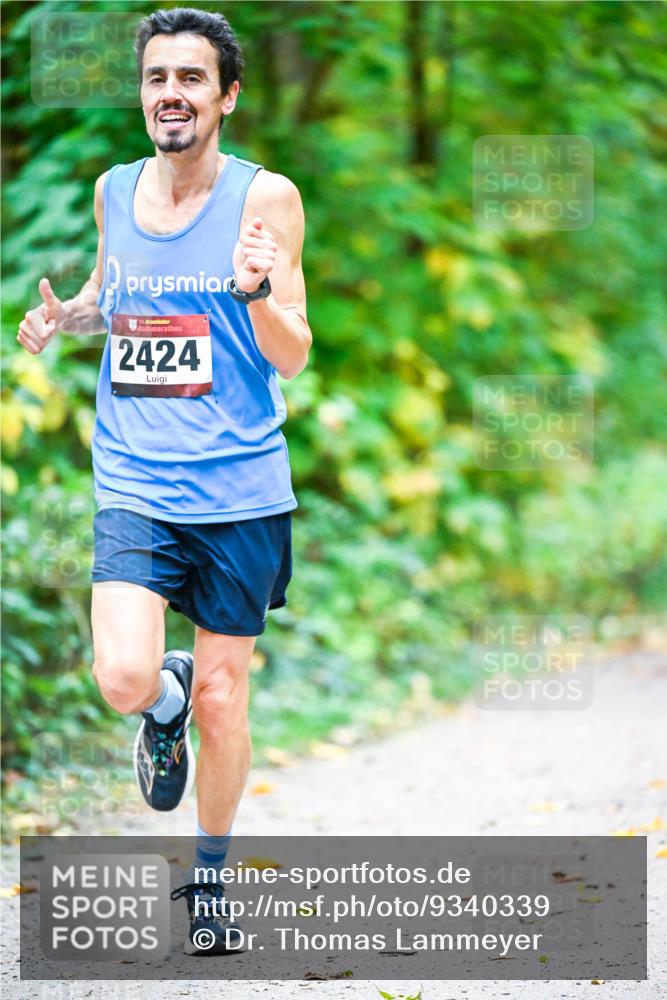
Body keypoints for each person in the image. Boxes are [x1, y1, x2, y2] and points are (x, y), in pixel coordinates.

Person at [17, 6, 311, 955]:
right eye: (156, 79)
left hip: (239, 488)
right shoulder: (114, 189)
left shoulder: (267, 200)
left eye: (191, 79)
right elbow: (119, 298)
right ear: (142, 93)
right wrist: (71, 320)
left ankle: (212, 882)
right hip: (136, 475)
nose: (170, 95)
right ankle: (162, 707)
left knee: (230, 696)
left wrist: (259, 293)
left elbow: (294, 353)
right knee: (122, 675)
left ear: (226, 95)